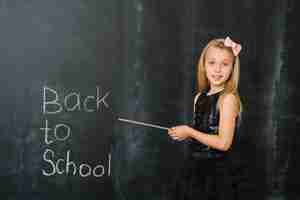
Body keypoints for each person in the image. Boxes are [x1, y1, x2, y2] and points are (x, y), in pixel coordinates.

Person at [168, 36, 243, 200]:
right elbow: (200, 135)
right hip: (194, 170)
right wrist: (184, 134)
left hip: (216, 175)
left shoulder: (227, 98)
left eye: (225, 64)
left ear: (232, 68)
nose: (217, 69)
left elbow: (223, 143)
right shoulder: (199, 97)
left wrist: (189, 131)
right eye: (212, 63)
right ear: (203, 65)